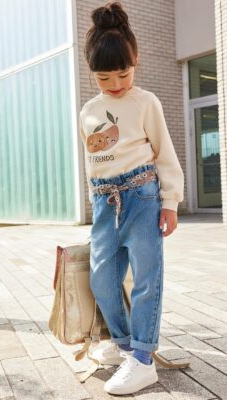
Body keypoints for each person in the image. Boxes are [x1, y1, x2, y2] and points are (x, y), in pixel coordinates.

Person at [79, 1, 184, 396]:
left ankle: (142, 359)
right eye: (105, 78)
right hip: (105, 202)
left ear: (135, 61)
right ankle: (124, 345)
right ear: (93, 74)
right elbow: (94, 160)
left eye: (123, 73)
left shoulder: (146, 102)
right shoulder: (89, 111)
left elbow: (165, 155)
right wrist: (95, 204)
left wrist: (171, 202)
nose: (116, 84)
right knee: (102, 280)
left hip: (142, 197)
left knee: (146, 278)